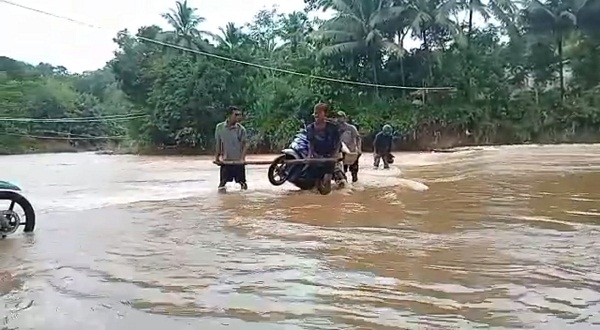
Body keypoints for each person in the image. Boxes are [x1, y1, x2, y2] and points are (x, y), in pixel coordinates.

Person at [214, 106, 248, 192]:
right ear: (229, 115)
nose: (238, 117)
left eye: (239, 115)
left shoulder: (241, 129)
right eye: (236, 115)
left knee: (242, 184)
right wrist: (217, 158)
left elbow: (245, 144)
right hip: (226, 161)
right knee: (222, 184)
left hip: (238, 161)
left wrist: (242, 159)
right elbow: (218, 143)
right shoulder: (220, 127)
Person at [306, 103, 341, 185]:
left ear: (325, 114)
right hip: (317, 156)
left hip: (330, 156)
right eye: (315, 113)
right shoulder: (310, 128)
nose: (316, 115)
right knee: (316, 181)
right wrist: (309, 156)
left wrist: (335, 155)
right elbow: (311, 143)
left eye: (319, 113)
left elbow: (338, 142)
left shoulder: (333, 127)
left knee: (327, 180)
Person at [336, 111, 362, 182]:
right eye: (337, 117)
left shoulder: (351, 128)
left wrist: (359, 149)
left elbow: (358, 138)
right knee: (341, 170)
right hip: (340, 152)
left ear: (344, 118)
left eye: (340, 117)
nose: (338, 119)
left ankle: (354, 183)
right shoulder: (335, 129)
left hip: (351, 152)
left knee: (354, 170)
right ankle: (344, 184)